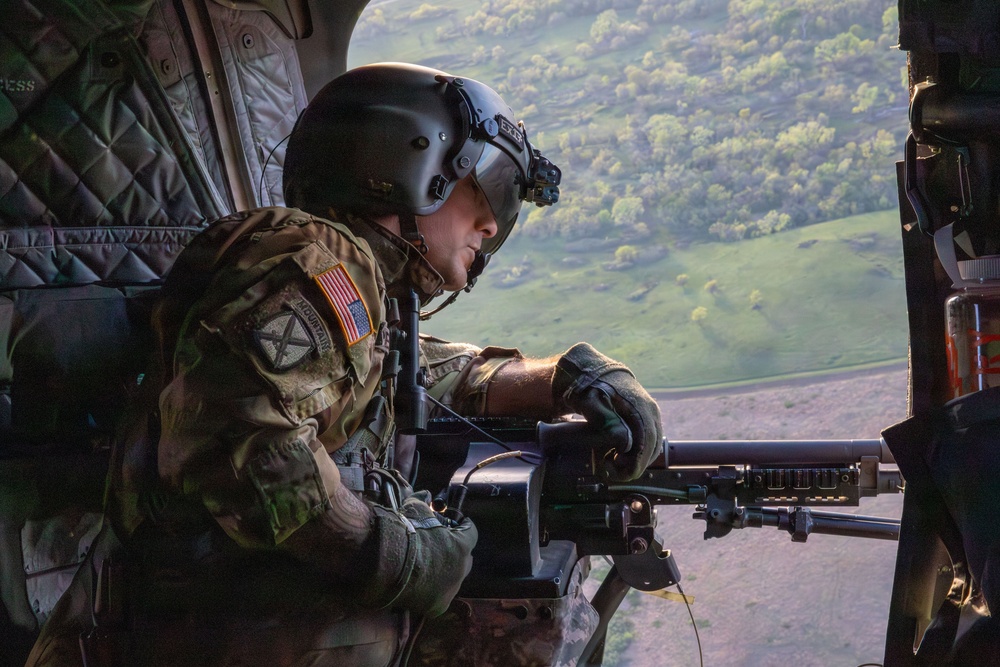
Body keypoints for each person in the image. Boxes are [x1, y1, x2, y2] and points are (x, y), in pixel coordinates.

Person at [26, 62, 662, 666]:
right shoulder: (317, 262)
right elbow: (240, 433)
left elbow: (418, 378)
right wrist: (396, 555)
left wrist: (564, 378)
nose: (492, 227)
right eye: (488, 187)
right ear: (410, 162)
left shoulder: (355, 295)